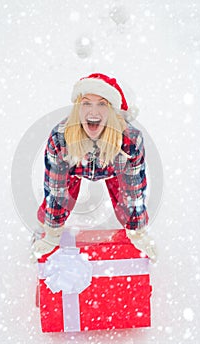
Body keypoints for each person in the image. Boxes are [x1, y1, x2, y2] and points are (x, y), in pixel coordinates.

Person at [31, 73, 157, 263]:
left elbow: (134, 189)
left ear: (113, 111)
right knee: (58, 199)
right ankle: (45, 228)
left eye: (102, 104)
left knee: (125, 198)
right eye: (86, 103)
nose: (93, 112)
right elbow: (56, 189)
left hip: (114, 170)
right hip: (75, 168)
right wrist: (52, 232)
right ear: (78, 108)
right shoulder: (60, 138)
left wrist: (137, 230)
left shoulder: (130, 141)